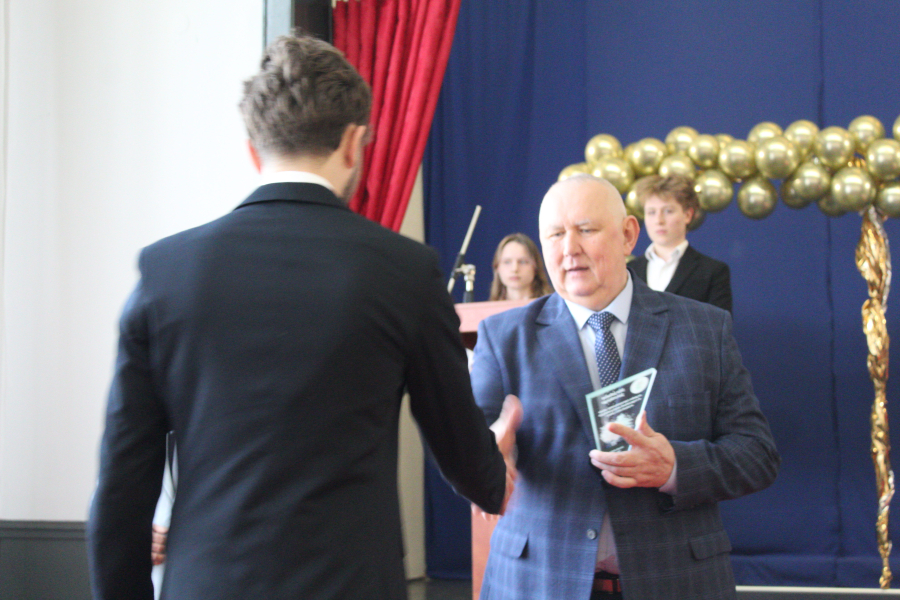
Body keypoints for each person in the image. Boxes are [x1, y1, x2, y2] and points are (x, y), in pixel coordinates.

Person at [87, 34, 521, 600]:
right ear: (354, 143)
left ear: (253, 150)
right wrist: (493, 467)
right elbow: (464, 456)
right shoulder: (405, 272)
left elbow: (121, 487)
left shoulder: (165, 272)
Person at [471, 174, 779, 600]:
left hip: (675, 582)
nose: (569, 248)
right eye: (555, 235)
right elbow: (466, 451)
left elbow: (757, 455)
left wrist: (675, 467)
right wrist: (483, 458)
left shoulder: (705, 328)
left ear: (629, 235)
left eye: (586, 229)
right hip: (537, 583)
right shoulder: (503, 337)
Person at [629, 174, 732, 312]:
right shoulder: (629, 270)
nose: (659, 220)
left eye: (668, 211)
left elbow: (718, 324)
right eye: (651, 212)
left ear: (688, 215)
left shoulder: (712, 272)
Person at [489, 233, 553, 301]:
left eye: (522, 262)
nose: (514, 269)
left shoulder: (552, 305)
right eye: (507, 262)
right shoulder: (489, 307)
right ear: (497, 267)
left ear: (535, 266)